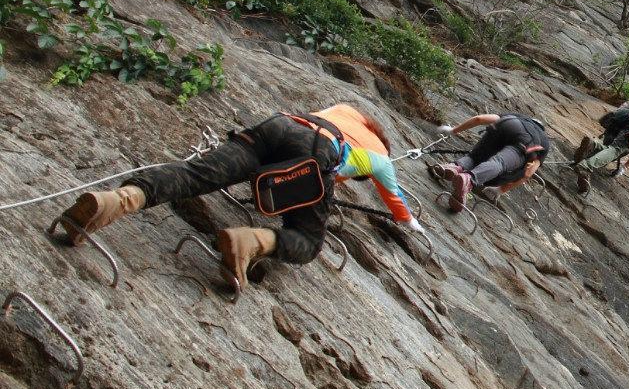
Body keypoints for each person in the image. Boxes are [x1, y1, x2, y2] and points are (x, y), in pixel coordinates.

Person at [57, 104, 422, 288]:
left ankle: (114, 201)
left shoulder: (347, 111)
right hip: (314, 151)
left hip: (278, 125)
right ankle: (246, 243)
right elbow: (393, 199)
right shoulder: (379, 157)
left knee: (197, 175)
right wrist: (408, 221)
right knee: (308, 240)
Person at [436, 113, 551, 212]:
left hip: (507, 123)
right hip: (526, 142)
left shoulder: (518, 116)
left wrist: (453, 130)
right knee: (499, 162)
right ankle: (469, 179)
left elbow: (479, 119)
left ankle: (455, 167)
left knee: (475, 157)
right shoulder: (544, 141)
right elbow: (528, 173)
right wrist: (501, 190)